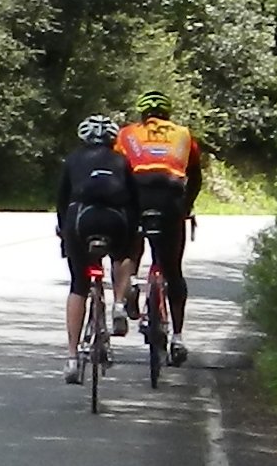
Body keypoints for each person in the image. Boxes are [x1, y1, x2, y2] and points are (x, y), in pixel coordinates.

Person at [114, 97, 208, 364]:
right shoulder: (184, 135)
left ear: (143, 114)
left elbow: (117, 171)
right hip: (170, 198)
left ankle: (125, 294)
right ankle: (178, 337)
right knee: (173, 270)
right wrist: (186, 207)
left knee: (130, 249)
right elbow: (195, 176)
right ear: (168, 113)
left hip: (138, 196)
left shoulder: (127, 134)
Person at [51, 113, 134, 381]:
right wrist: (135, 231)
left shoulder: (73, 160)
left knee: (79, 285)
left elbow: (62, 201)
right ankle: (119, 303)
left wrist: (63, 231)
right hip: (115, 221)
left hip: (81, 221)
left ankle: (72, 358)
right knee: (124, 255)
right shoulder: (121, 160)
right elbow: (134, 201)